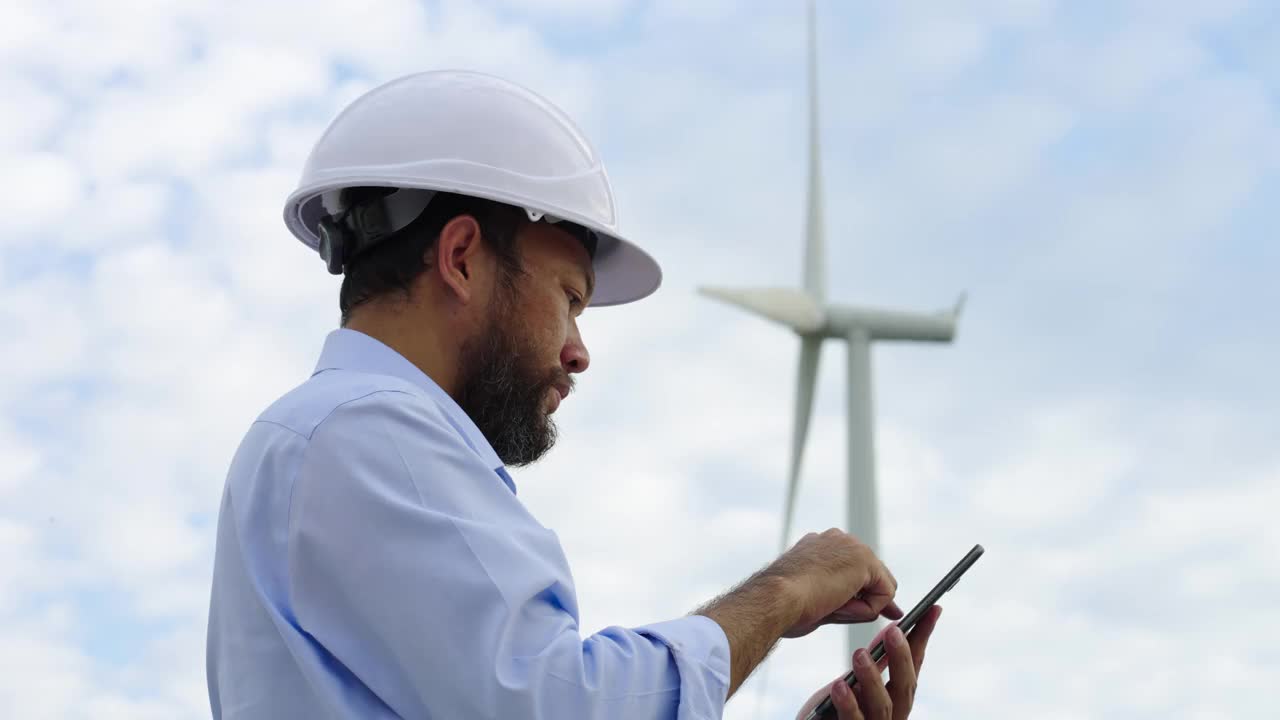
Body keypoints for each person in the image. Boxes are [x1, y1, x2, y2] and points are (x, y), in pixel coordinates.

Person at [206, 70, 941, 720]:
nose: (578, 352)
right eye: (569, 297)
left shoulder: (341, 441)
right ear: (461, 259)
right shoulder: (364, 432)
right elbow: (561, 706)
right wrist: (784, 592)